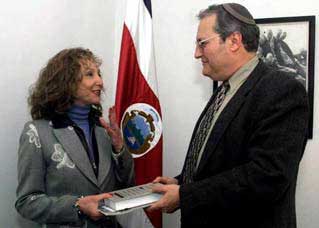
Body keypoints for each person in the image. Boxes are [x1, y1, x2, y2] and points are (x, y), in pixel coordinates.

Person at [148, 3, 309, 228]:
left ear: (234, 41)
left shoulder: (281, 90)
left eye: (202, 43)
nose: (196, 54)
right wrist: (181, 182)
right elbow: (221, 161)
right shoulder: (225, 89)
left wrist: (186, 194)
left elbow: (268, 176)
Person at [15, 48, 135, 228]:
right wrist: (77, 205)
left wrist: (119, 148)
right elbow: (27, 202)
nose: (100, 81)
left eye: (99, 74)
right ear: (66, 82)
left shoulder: (103, 131)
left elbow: (127, 186)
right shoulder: (36, 132)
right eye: (90, 74)